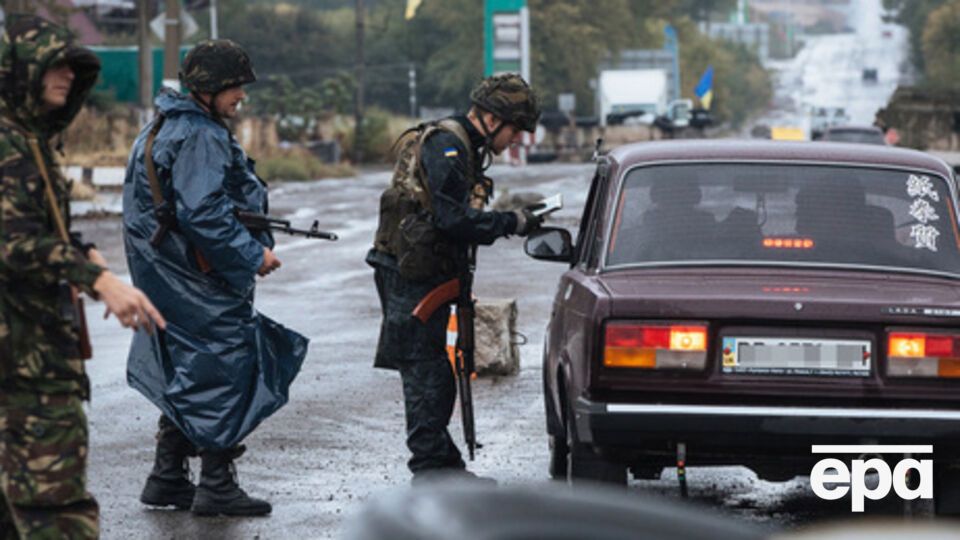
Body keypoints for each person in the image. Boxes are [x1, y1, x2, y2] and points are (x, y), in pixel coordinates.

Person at [121, 40, 308, 517]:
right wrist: (251, 255)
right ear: (208, 88)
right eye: (234, 87)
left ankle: (167, 476)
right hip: (193, 277)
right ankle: (217, 484)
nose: (241, 96)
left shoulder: (163, 125)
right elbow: (203, 212)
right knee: (224, 364)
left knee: (190, 367)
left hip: (166, 273)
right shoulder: (200, 134)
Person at [0, 15, 166, 539]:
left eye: (73, 66)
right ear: (16, 68)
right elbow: (12, 243)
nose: (67, 75)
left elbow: (32, 226)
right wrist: (100, 282)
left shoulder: (29, 142)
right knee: (56, 514)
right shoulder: (7, 144)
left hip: (29, 354)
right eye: (53, 63)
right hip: (25, 367)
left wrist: (86, 254)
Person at [366, 73, 543, 483]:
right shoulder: (448, 146)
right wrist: (509, 222)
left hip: (422, 270)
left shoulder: (464, 145)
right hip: (408, 273)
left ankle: (443, 465)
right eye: (515, 129)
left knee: (433, 371)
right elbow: (451, 218)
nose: (516, 138)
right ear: (493, 118)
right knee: (425, 371)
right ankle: (430, 470)